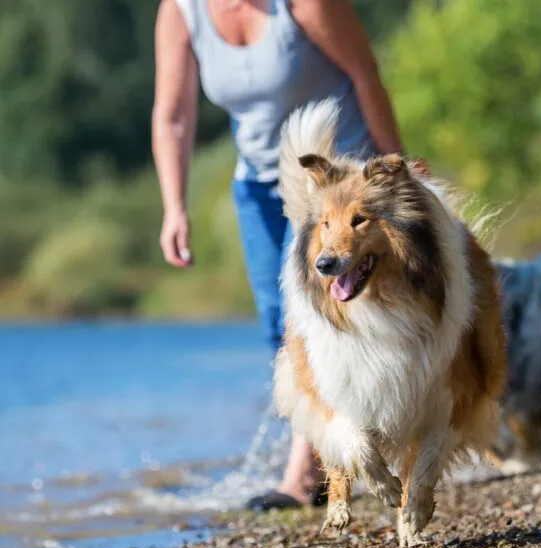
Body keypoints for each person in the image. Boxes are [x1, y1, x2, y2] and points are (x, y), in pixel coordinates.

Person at [152, 0, 424, 510]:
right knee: (277, 322)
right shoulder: (181, 12)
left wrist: (397, 171)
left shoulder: (303, 6)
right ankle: (335, 445)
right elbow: (173, 117)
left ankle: (303, 476)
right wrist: (174, 206)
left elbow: (366, 76)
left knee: (307, 317)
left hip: (335, 184)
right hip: (257, 185)